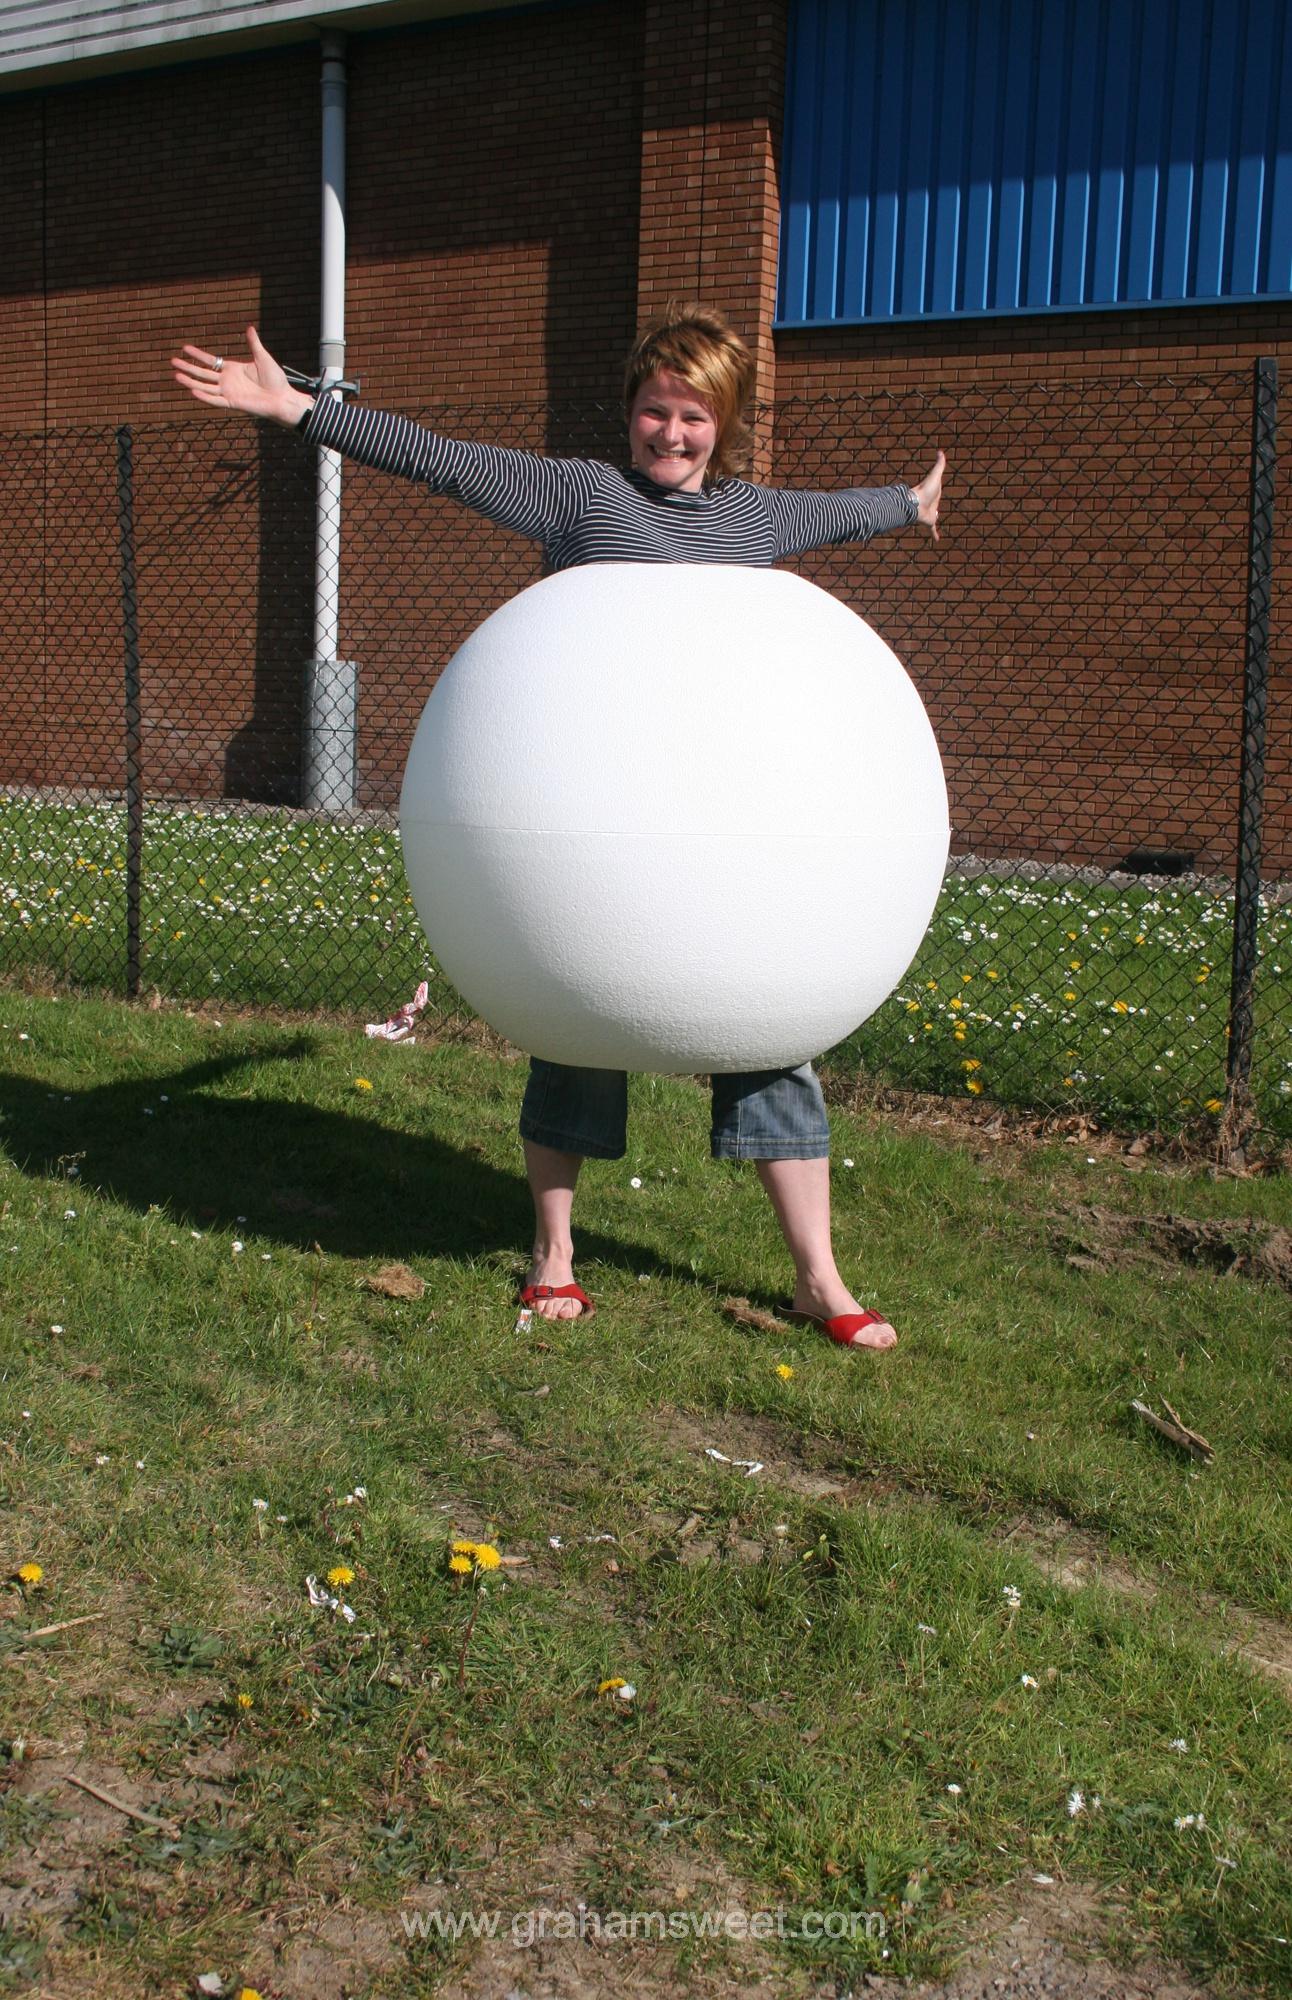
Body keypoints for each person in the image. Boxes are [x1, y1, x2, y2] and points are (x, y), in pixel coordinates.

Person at [171, 307, 944, 1349]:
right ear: (629, 411)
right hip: (592, 832)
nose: (670, 433)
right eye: (654, 410)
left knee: (776, 1031)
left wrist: (904, 502)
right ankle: (553, 1253)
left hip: (727, 836)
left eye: (694, 417)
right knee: (574, 1014)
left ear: (727, 423)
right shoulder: (582, 496)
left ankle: (817, 1275)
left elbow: (830, 513)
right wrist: (298, 408)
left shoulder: (753, 518)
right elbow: (440, 461)